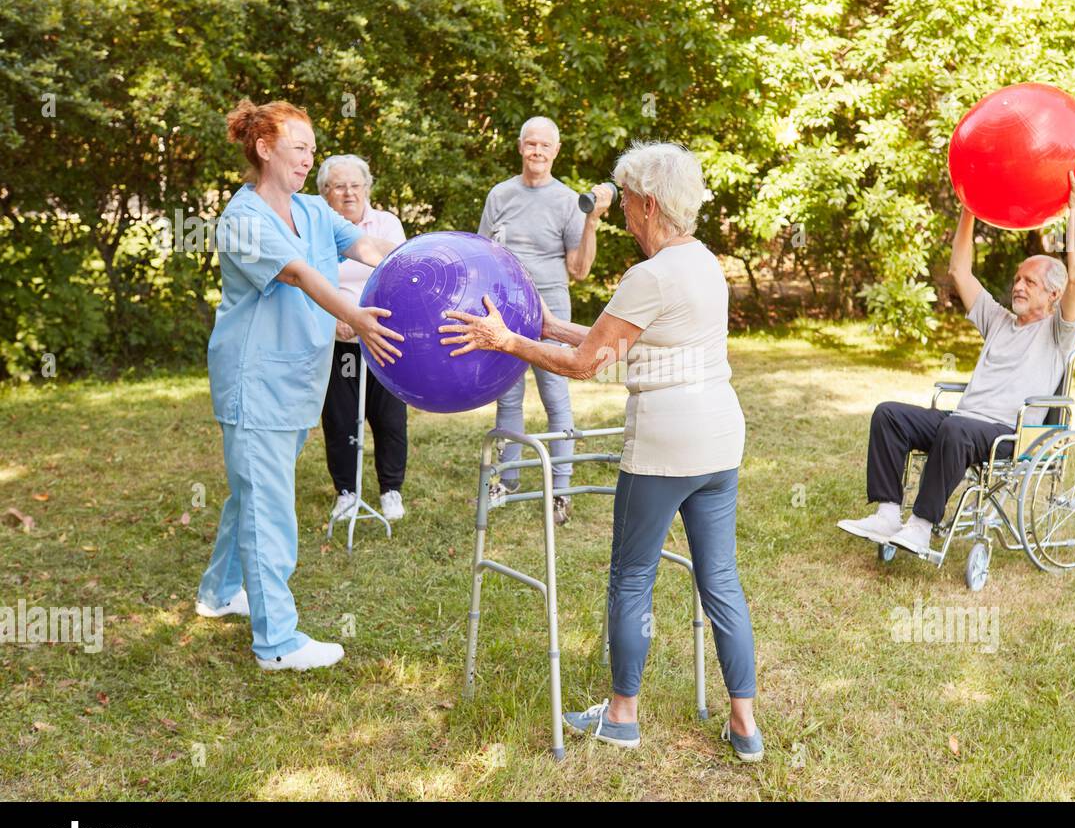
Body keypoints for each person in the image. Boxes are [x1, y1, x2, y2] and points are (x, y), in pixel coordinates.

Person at [441, 141, 763, 761]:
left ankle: (622, 715)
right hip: (721, 436)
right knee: (719, 577)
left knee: (632, 575)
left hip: (666, 442)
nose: (621, 218)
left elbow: (586, 365)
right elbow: (610, 339)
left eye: (627, 205)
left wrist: (504, 342)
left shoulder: (651, 275)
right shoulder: (703, 263)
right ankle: (745, 726)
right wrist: (535, 322)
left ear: (646, 202)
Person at [194, 100, 403, 671]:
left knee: (252, 493)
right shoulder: (244, 218)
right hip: (254, 383)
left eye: (312, 149)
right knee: (268, 506)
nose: (309, 160)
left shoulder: (312, 211)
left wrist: (421, 265)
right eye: (300, 148)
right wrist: (358, 317)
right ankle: (277, 643)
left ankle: (218, 593)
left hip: (293, 385)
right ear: (265, 149)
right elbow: (302, 275)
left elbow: (366, 246)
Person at [837, 158, 1075, 556]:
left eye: (1029, 281)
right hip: (963, 423)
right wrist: (968, 208)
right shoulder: (999, 320)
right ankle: (888, 514)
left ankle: (922, 527)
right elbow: (960, 271)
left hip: (1006, 434)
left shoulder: (1058, 333)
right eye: (1017, 280)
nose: (1019, 286)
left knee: (955, 431)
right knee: (888, 414)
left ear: (1053, 295)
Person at [477, 116, 609, 526]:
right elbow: (482, 252)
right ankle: (507, 481)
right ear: (520, 147)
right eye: (530, 144)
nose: (537, 152)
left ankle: (562, 491)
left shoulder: (569, 200)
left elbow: (580, 269)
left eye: (544, 146)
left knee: (555, 394)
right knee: (508, 397)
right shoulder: (500, 195)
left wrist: (591, 221)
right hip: (505, 306)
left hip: (551, 306)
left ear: (556, 151)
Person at [317, 154, 409, 523]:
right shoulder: (316, 229)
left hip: (382, 333)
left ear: (367, 189)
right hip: (337, 339)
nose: (348, 193)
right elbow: (307, 283)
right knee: (340, 419)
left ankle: (390, 489)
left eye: (355, 185)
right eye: (339, 186)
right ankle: (346, 492)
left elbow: (401, 276)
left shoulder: (386, 224)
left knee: (388, 418)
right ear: (325, 193)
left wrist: (364, 318)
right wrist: (334, 318)